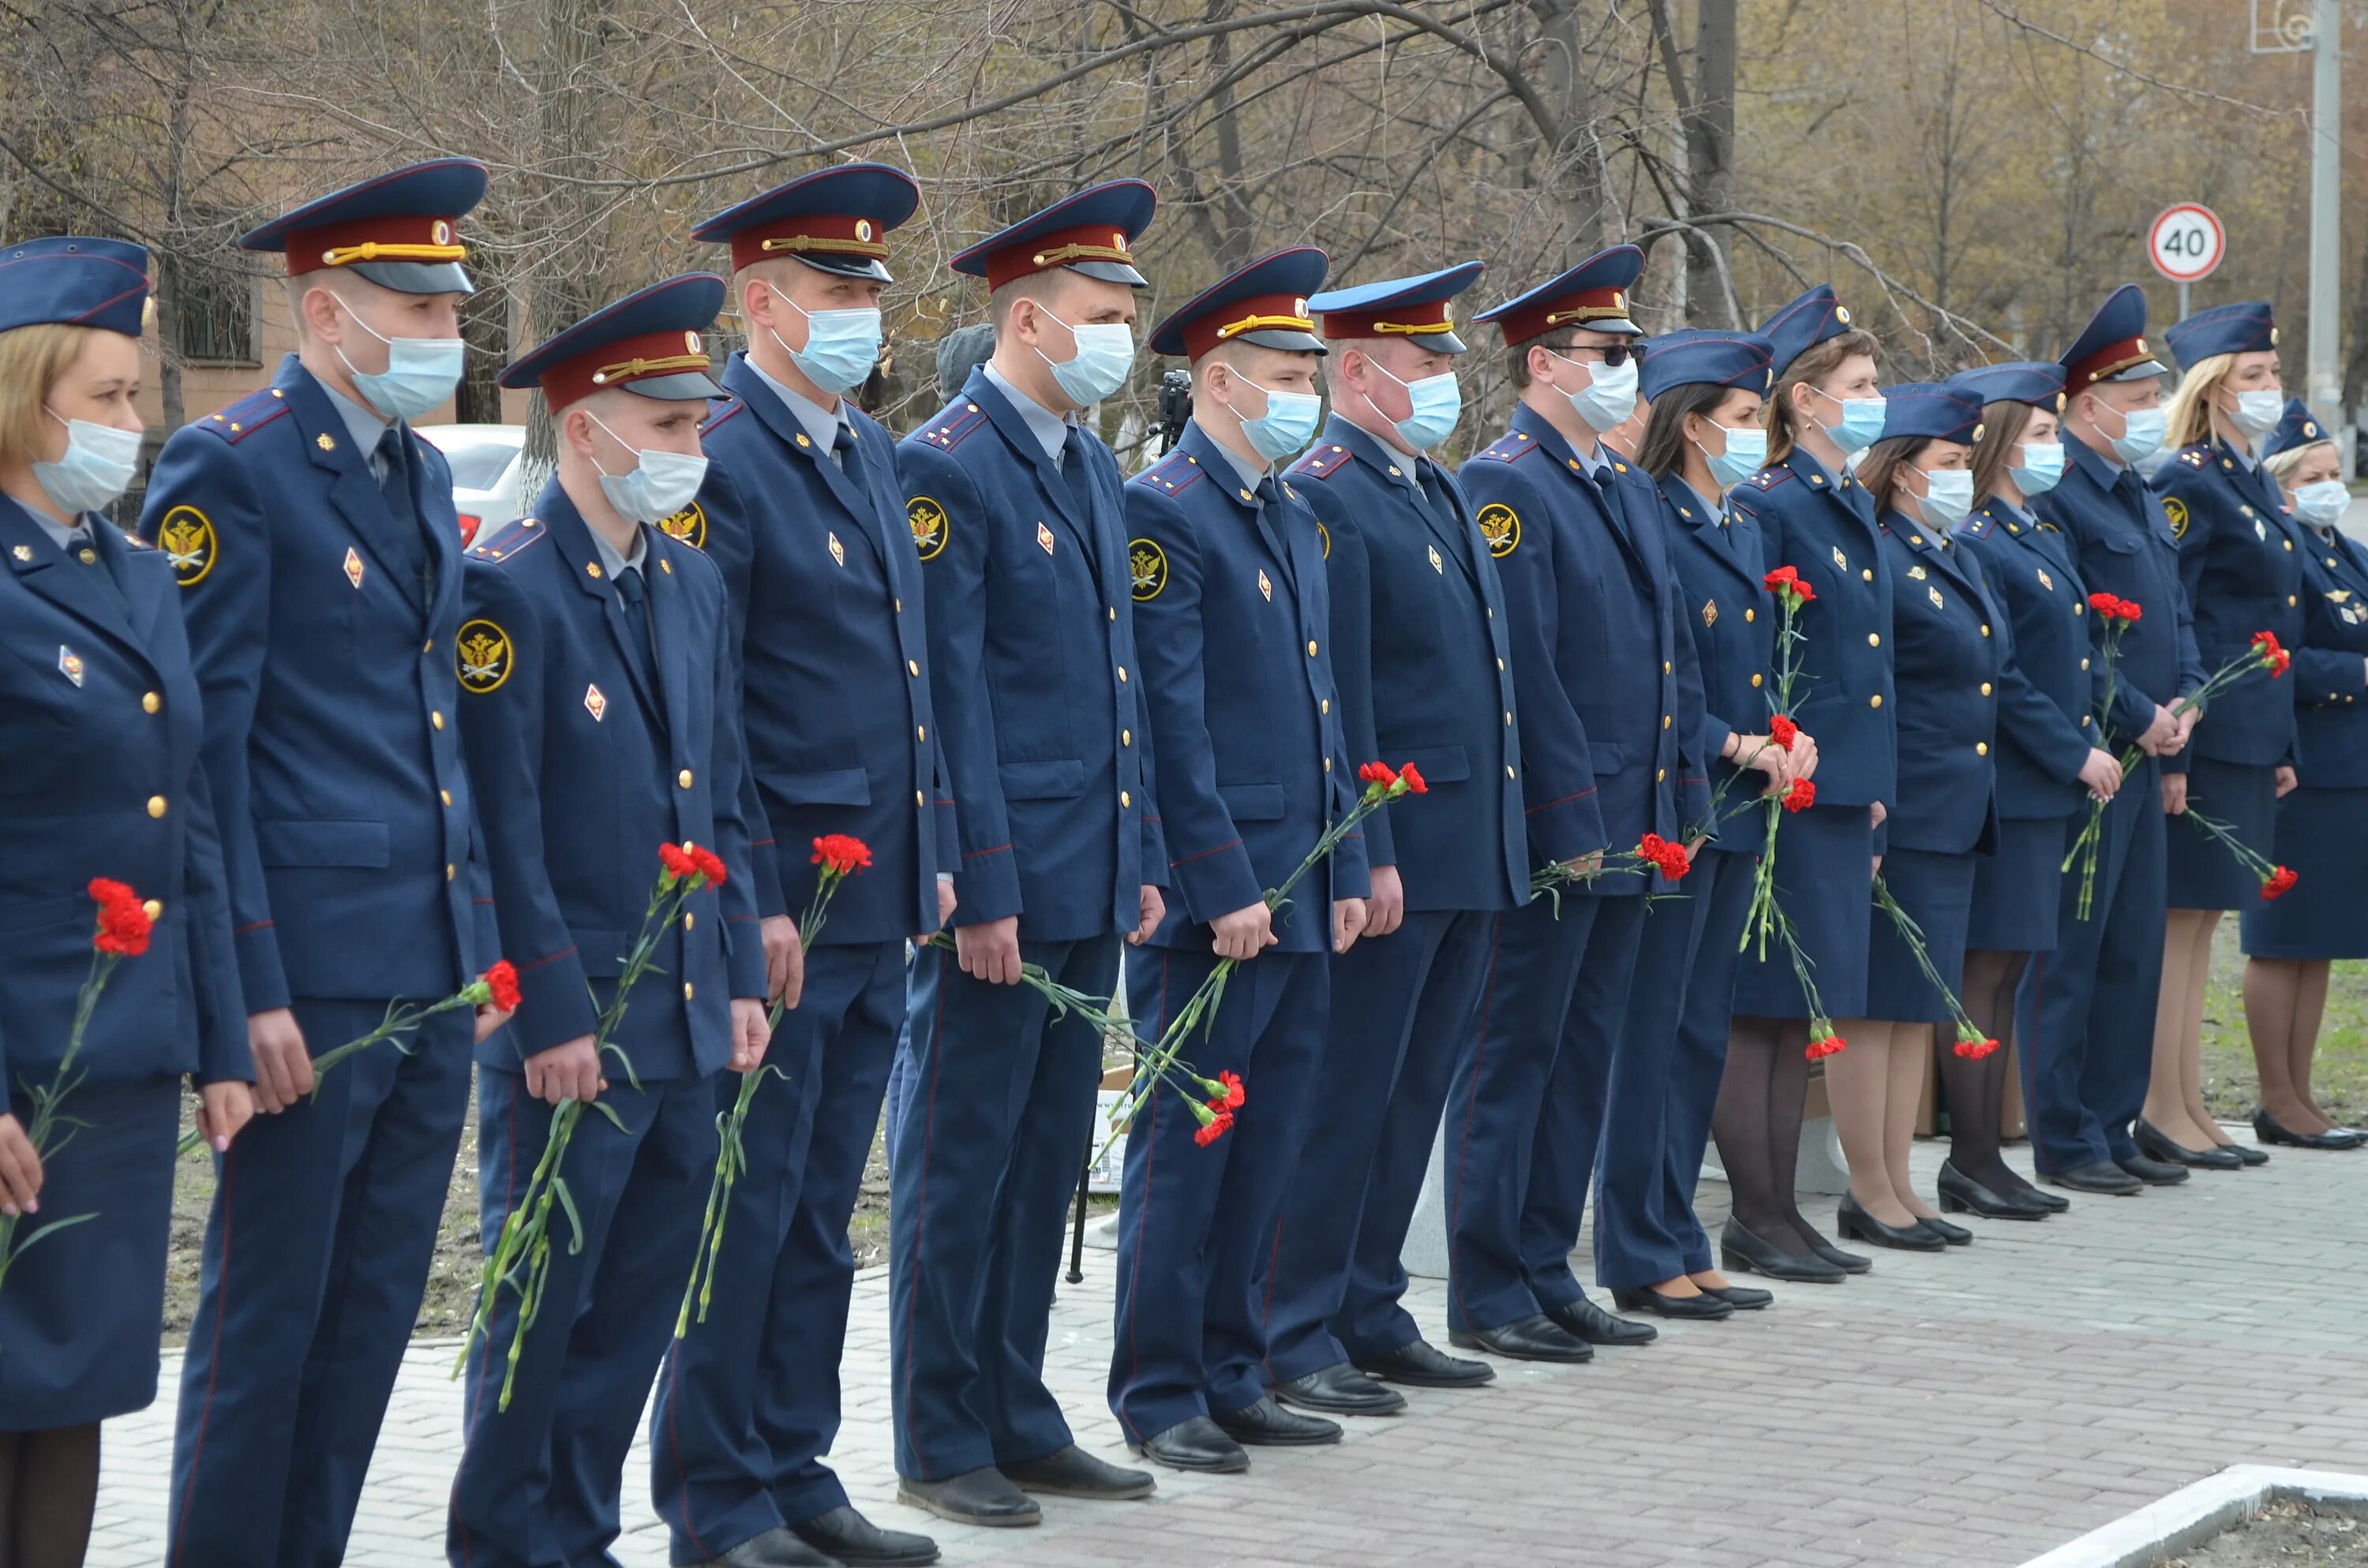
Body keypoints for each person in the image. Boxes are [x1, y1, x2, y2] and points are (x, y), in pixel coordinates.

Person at [154, 159, 508, 1568]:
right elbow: (204, 759)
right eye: (409, 309)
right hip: (305, 971)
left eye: (447, 308)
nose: (439, 335)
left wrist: (474, 939)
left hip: (421, 971)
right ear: (322, 311)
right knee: (266, 1321)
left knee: (370, 1316)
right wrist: (244, 989)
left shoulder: (417, 469)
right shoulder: (229, 468)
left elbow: (437, 729)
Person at [444, 273, 771, 1568]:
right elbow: (501, 832)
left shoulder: (685, 584)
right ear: (588, 429)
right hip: (575, 1025)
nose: (695, 451)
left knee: (635, 1301)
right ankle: (503, 1542)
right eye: (673, 426)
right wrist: (547, 1010)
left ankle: (576, 1535)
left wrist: (739, 972)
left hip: (685, 1013)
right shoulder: (507, 588)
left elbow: (725, 792)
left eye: (698, 424)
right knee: (543, 1301)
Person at [652, 164, 949, 1568]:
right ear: (761, 304)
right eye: (836, 292)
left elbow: (909, 681)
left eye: (870, 294)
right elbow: (714, 711)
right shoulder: (721, 452)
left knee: (827, 1206)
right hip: (785, 900)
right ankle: (716, 1494)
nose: (862, 317)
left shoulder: (864, 448)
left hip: (878, 888)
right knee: (749, 1202)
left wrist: (936, 852)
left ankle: (796, 1463)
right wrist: (755, 894)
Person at [889, 180, 1165, 1528]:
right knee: (961, 1162)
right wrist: (979, 885)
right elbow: (949, 699)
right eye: (1102, 316)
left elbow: (1119, 690)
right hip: (1003, 882)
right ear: (1027, 319)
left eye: (1128, 315)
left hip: (1089, 867)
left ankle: (1017, 1408)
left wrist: (1142, 852)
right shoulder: (948, 462)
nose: (1121, 336)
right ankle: (941, 1433)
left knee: (1048, 1156)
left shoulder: (1088, 461)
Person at [0, 236, 253, 1568]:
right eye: (102, 397)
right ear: (21, 392)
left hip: (118, 1060)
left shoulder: (134, 568)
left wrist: (214, 1038)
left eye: (136, 394)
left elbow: (190, 821)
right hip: (19, 1060)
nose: (132, 425)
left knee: (81, 1381)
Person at [1109, 248, 1370, 1473]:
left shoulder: (1289, 509)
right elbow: (1171, 719)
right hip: (1223, 900)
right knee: (1189, 1149)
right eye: (1282, 375)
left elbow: (1327, 714)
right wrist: (1221, 883)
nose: (1302, 396)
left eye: (1307, 376)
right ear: (1218, 378)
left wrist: (1350, 862)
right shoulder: (1167, 508)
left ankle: (1234, 1364)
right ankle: (1161, 1388)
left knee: (1268, 1142)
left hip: (1301, 887)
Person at [1261, 262, 1527, 1412]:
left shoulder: (1433, 485)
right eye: (1426, 366)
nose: (1445, 387)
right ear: (1358, 373)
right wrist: (1369, 847)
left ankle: (1371, 1302)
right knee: (1347, 1093)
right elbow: (1345, 696)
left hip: (1468, 835)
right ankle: (1296, 1321)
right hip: (1399, 844)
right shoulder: (1328, 490)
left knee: (1412, 1088)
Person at [1448, 247, 1709, 1342]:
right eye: (1607, 354)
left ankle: (1549, 1265)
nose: (1626, 371)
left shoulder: (1627, 487)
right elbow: (1530, 674)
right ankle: (1489, 1284)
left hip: (1636, 822)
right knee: (1515, 1055)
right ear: (1543, 363)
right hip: (1564, 829)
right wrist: (1567, 824)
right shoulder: (1506, 484)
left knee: (1581, 1053)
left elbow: (1667, 658)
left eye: (1631, 354)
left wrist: (1678, 800)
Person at [1616, 327, 1802, 1311]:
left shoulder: (1742, 526)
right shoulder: (1655, 519)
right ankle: (1639, 1244)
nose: (1754, 435)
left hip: (1741, 804)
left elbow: (1750, 670)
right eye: (1740, 419)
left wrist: (1786, 736)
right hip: (1687, 800)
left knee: (1698, 1032)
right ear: (1692, 426)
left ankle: (1677, 1228)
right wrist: (1735, 744)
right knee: (1656, 1032)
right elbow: (1655, 675)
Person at [1718, 284, 1890, 1282]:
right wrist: (1789, 756)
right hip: (1783, 787)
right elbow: (1765, 653)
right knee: (1762, 1008)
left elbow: (1868, 665)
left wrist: (1869, 782)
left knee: (1800, 1008)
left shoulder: (1841, 499)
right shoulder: (1775, 502)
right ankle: (1759, 1212)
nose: (1875, 400)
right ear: (1804, 401)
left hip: (1833, 790)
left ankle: (1781, 1209)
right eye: (1859, 385)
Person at [2018, 283, 2201, 1196]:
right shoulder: (2066, 500)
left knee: (2134, 950)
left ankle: (2114, 1117)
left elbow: (2176, 616)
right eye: (2137, 402)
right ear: (2088, 406)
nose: (2151, 416)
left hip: (2153, 753)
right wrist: (2137, 715)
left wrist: (2192, 703)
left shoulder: (2138, 491)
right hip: (2096, 753)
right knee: (2074, 952)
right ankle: (2065, 1131)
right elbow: (2076, 639)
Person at [1947, 362, 2121, 1217]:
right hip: (2014, 782)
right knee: (1984, 971)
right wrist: (2071, 751)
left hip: (2048, 783)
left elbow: (2074, 658)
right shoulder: (1982, 536)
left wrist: (2087, 738)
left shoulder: (2037, 530)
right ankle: (1972, 1157)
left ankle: (1986, 1155)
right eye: (2044, 436)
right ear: (2003, 447)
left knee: (2010, 969)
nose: (2057, 449)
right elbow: (2004, 678)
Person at [2141, 303, 2306, 1169]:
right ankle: (2161, 1107)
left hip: (2251, 735)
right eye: (2254, 377)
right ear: (2211, 390)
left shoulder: (2250, 478)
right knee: (2178, 925)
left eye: (2273, 375)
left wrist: (2281, 747)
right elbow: (2186, 624)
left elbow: (2273, 617)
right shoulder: (2189, 480)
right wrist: (2187, 752)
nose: (2270, 390)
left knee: (2205, 922)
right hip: (2208, 735)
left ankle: (2192, 1101)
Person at [1841, 383, 1999, 1251]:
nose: (1962, 477)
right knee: (1878, 1005)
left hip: (1954, 809)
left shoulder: (1950, 553)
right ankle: (1868, 1185)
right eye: (1948, 463)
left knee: (1917, 1005)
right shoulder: (1883, 554)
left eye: (1967, 461)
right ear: (1901, 473)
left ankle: (1899, 1176)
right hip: (1904, 807)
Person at [2237, 399, 2367, 1151]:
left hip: (2348, 770)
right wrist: (2359, 670)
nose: (2329, 486)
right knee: (2281, 937)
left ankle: (2303, 1094)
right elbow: (2275, 654)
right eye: (2313, 476)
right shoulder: (2282, 552)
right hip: (2299, 765)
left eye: (2335, 472)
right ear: (2282, 487)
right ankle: (2276, 1097)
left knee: (2320, 939)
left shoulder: (2340, 547)